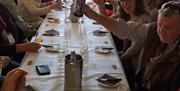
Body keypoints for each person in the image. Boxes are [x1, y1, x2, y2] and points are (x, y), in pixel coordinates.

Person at [83, 1, 180, 91]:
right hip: (139, 82)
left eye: (167, 27)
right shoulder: (152, 30)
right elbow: (125, 29)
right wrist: (92, 14)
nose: (161, 31)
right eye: (159, 25)